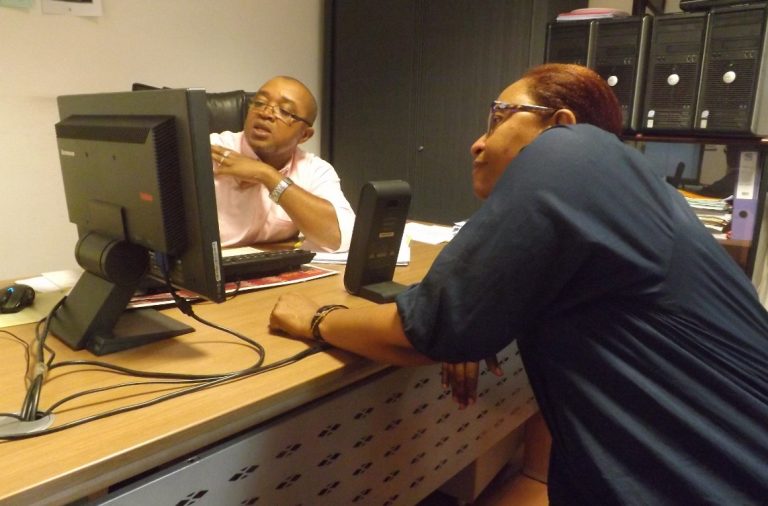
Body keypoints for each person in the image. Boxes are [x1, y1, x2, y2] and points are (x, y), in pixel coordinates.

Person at [269, 63, 768, 505]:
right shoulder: (625, 183)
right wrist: (473, 312)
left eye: (499, 117)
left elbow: (426, 330)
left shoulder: (569, 151)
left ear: (559, 124)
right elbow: (459, 317)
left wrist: (315, 318)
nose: (478, 142)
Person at [210, 76, 355, 252]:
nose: (265, 113)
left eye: (285, 112)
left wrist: (267, 175)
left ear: (304, 135)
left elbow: (343, 238)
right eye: (259, 103)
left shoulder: (314, 170)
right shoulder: (210, 152)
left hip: (272, 265)